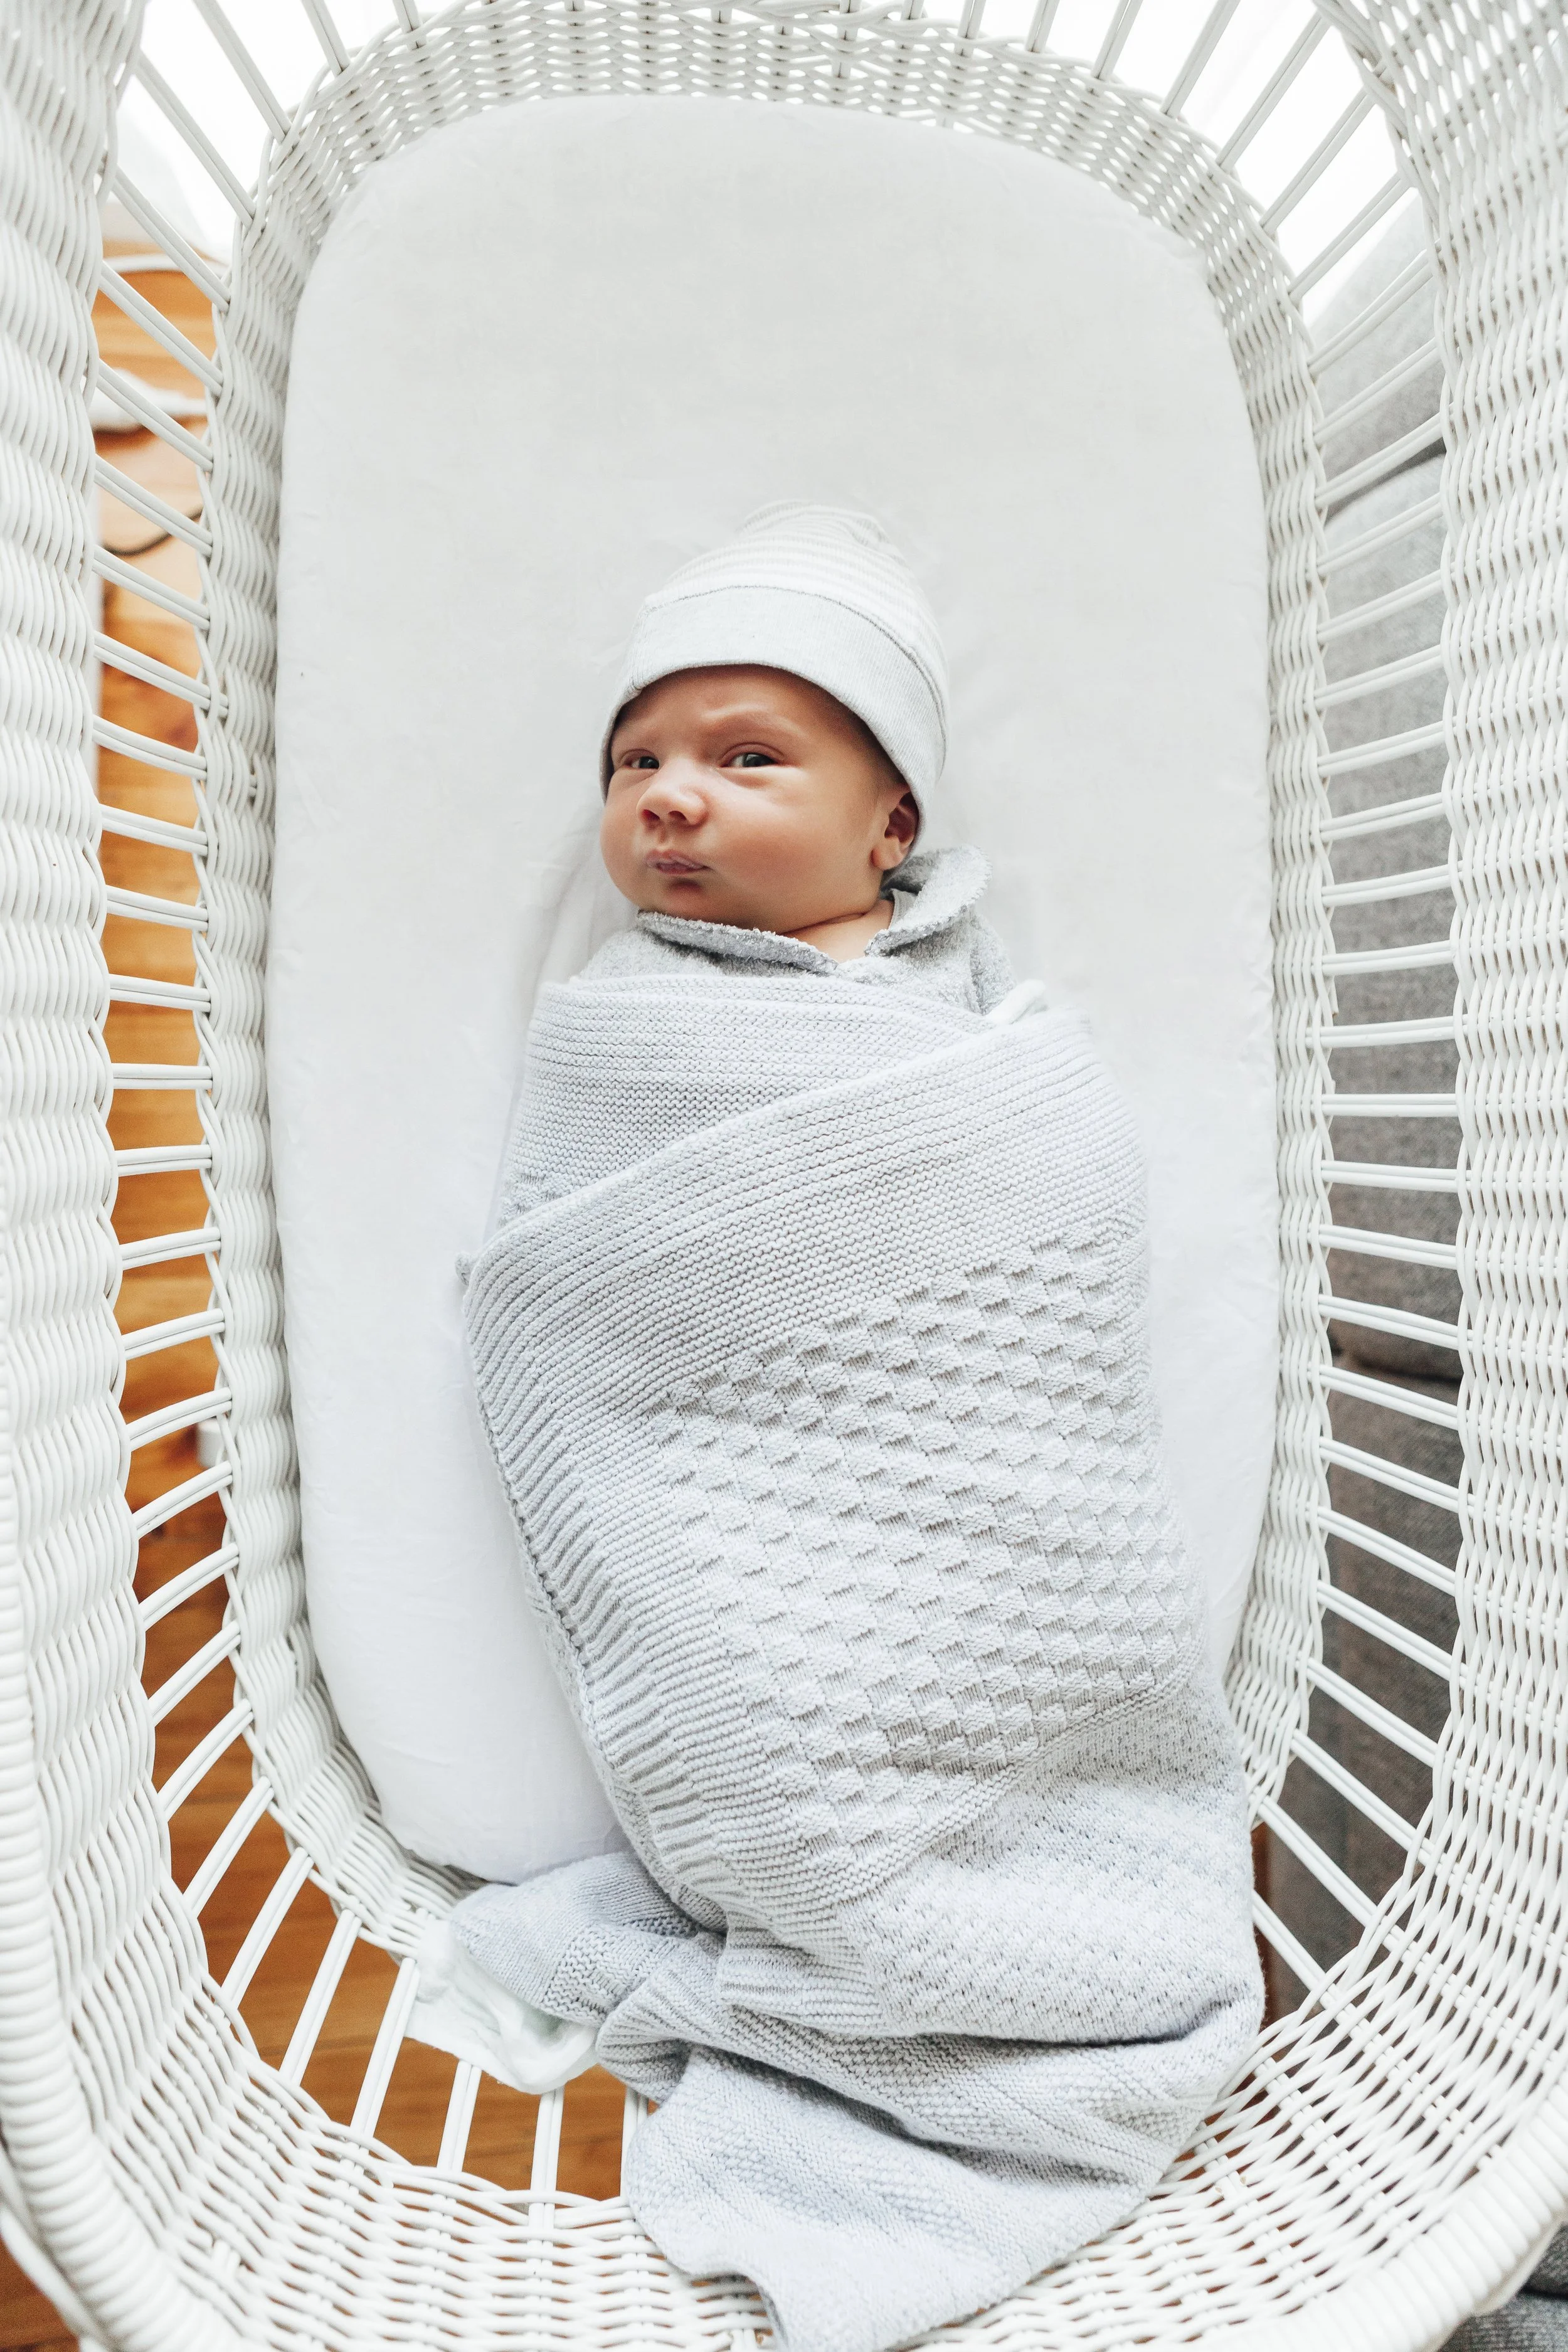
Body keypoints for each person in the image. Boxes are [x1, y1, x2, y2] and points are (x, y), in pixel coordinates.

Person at [441, 504, 1263, 2352]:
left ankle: (1042, 1907)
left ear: (890, 828)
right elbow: (571, 1294)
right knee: (794, 1753)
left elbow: (1064, 1205)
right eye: (635, 763)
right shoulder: (623, 1025)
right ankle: (861, 1923)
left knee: (1056, 1685)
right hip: (754, 1526)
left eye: (747, 759)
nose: (670, 798)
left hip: (1004, 1536)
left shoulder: (980, 1029)